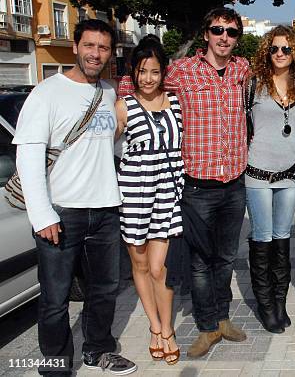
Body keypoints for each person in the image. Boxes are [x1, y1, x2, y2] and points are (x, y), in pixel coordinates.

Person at [13, 19, 137, 375]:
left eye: (103, 48)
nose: (95, 54)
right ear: (76, 46)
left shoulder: (110, 92)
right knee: (55, 299)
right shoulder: (47, 92)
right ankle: (55, 365)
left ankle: (98, 350)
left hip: (105, 208)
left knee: (105, 290)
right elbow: (29, 156)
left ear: (110, 53)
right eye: (90, 46)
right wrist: (42, 214)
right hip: (62, 213)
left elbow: (109, 145)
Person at [162, 7, 250, 358]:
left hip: (234, 182)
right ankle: (207, 326)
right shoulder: (183, 71)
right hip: (198, 185)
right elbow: (139, 82)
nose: (224, 37)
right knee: (200, 261)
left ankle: (224, 317)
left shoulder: (242, 69)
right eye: (218, 30)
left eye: (231, 32)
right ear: (206, 34)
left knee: (226, 257)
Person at [114, 35, 184, 364]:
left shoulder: (175, 103)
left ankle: (167, 328)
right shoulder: (123, 106)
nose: (148, 78)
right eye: (142, 71)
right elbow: (101, 146)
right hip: (134, 195)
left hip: (168, 194)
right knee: (140, 265)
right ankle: (154, 327)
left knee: (160, 269)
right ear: (133, 72)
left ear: (163, 72)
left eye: (154, 71)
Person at [246, 26, 295, 333]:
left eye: (286, 49)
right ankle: (266, 304)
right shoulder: (253, 84)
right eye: (274, 49)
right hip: (257, 172)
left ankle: (280, 301)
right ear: (267, 52)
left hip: (289, 174)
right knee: (263, 237)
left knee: (282, 239)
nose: (280, 54)